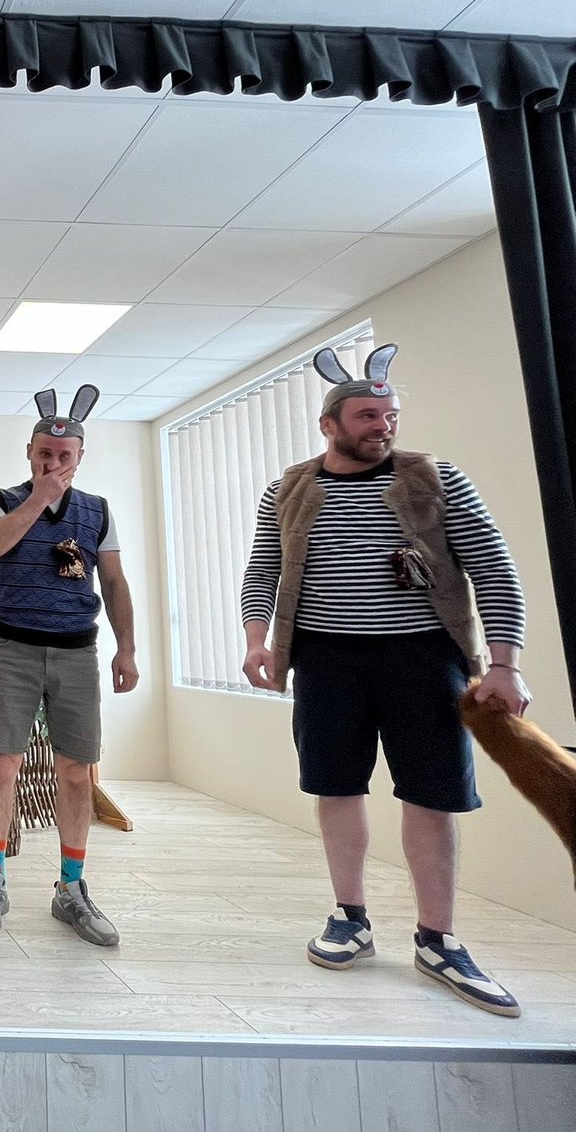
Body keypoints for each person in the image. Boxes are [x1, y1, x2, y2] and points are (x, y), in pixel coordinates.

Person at [241, 344, 529, 1018]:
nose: (384, 426)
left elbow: (494, 568)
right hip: (324, 660)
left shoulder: (437, 479)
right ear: (329, 424)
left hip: (424, 659)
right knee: (336, 786)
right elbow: (263, 570)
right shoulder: (288, 489)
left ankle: (438, 939)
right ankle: (350, 918)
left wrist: (506, 663)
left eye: (391, 415)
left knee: (433, 793)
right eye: (368, 416)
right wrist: (256, 640)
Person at [0, 385, 138, 945]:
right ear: (29, 452)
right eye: (44, 453)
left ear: (80, 456)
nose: (54, 463)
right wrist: (39, 499)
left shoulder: (99, 511)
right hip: (12, 647)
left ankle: (71, 887)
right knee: (2, 766)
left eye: (64, 455)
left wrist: (127, 648)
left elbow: (113, 581)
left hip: (77, 651)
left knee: (76, 771)